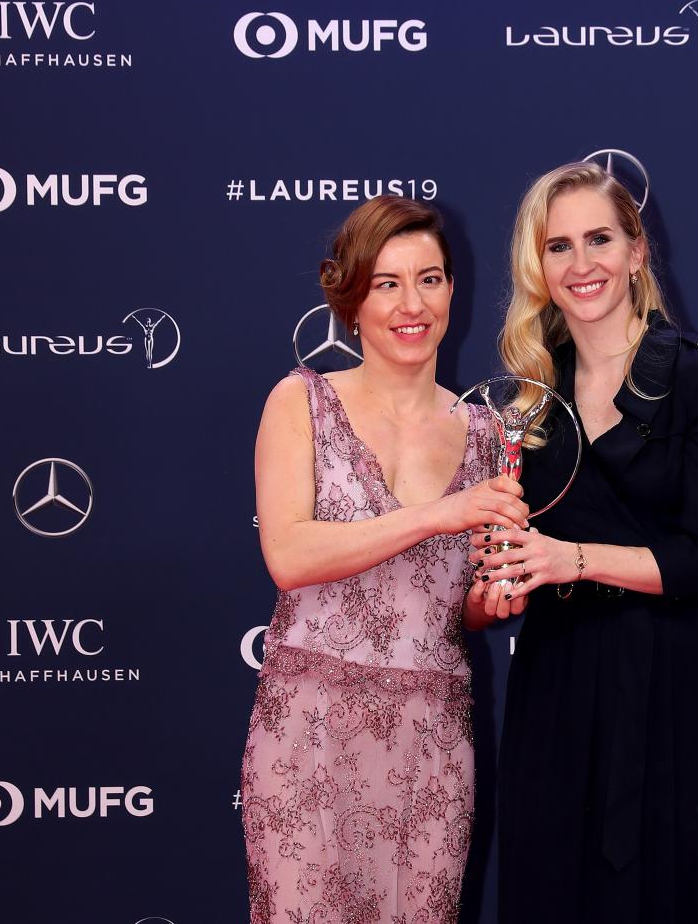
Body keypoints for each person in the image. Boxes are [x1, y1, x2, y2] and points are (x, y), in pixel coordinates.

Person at [466, 162, 698, 922]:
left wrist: (572, 558)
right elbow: (507, 551)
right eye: (558, 246)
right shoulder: (527, 394)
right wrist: (503, 583)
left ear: (636, 252)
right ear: (539, 267)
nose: (581, 262)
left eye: (599, 238)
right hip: (554, 683)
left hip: (670, 687)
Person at [242, 196, 528, 924]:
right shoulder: (300, 402)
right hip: (309, 734)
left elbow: (456, 601)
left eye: (429, 279)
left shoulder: (487, 430)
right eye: (387, 282)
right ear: (352, 296)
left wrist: (492, 598)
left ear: (452, 290)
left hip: (429, 743)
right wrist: (438, 513)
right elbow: (289, 553)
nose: (412, 304)